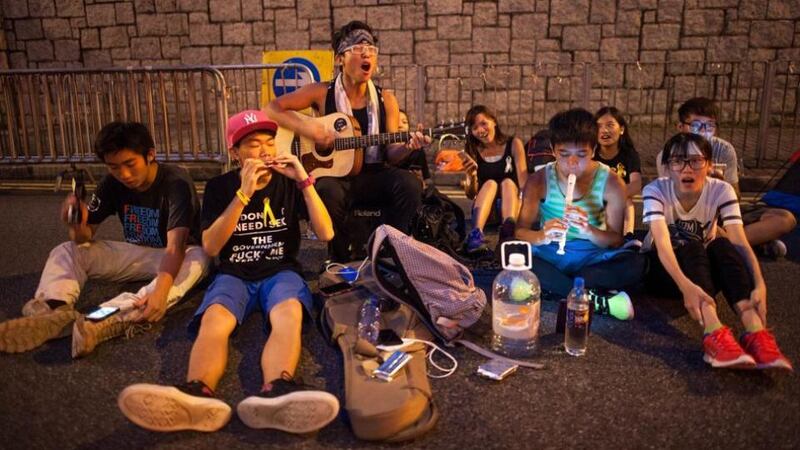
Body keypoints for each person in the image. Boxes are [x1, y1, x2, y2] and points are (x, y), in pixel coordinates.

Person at [117, 110, 340, 433]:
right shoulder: (221, 187)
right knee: (215, 320)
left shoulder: (288, 184)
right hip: (234, 272)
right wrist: (243, 194)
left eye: (269, 142)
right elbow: (210, 246)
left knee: (288, 315)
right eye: (252, 145)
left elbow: (326, 234)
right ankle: (196, 392)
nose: (264, 151)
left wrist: (304, 179)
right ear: (235, 153)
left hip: (281, 271)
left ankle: (277, 390)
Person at [0, 122, 208, 358]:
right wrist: (76, 224)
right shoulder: (112, 183)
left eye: (130, 164)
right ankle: (53, 309)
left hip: (179, 254)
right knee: (66, 250)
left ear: (150, 154)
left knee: (200, 257)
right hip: (139, 253)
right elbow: (84, 239)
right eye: (114, 167)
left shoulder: (175, 181)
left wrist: (161, 292)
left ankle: (103, 319)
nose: (124, 175)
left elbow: (176, 247)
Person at [265, 21, 429, 263]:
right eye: (358, 50)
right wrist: (310, 128)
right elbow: (272, 108)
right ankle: (339, 259)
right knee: (325, 190)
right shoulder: (321, 93)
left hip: (374, 173)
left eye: (371, 51)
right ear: (340, 58)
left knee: (409, 184)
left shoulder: (386, 99)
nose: (367, 55)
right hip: (336, 176)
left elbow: (391, 153)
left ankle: (390, 251)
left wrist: (406, 147)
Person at [643, 132, 792, 370]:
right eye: (677, 161)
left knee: (722, 244)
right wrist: (686, 286)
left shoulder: (721, 190)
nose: (686, 169)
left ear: (709, 165)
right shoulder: (655, 190)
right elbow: (661, 244)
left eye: (696, 161)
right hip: (666, 273)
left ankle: (755, 330)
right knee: (691, 245)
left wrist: (759, 283)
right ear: (668, 168)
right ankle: (713, 333)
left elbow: (740, 242)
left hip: (701, 272)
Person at [515, 108, 644, 321]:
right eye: (564, 155)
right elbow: (520, 231)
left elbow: (615, 240)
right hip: (550, 254)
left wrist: (589, 231)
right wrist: (542, 236)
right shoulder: (539, 179)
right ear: (553, 150)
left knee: (636, 265)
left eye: (581, 155)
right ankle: (596, 300)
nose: (572, 163)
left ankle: (552, 289)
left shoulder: (612, 182)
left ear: (593, 150)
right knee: (509, 252)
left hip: (592, 259)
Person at [656, 97, 796, 257]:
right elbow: (673, 202)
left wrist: (722, 186)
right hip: (690, 215)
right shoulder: (667, 156)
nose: (703, 131)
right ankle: (751, 242)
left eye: (709, 126)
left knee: (785, 218)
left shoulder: (724, 150)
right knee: (692, 227)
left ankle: (730, 243)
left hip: (724, 212)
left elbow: (735, 198)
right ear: (681, 127)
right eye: (695, 125)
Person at [461, 105, 528, 253]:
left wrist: (523, 213)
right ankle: (476, 234)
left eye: (484, 123)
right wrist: (471, 175)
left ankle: (507, 233)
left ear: (494, 122)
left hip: (512, 206)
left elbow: (524, 185)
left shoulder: (513, 144)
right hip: (485, 210)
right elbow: (471, 194)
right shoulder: (472, 150)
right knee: (490, 183)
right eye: (474, 127)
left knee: (508, 182)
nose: (480, 130)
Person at [593, 106, 642, 241]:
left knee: (628, 201)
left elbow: (636, 184)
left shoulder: (629, 155)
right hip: (595, 200)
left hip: (618, 202)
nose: (604, 130)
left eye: (610, 125)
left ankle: (628, 238)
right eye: (599, 126)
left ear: (621, 129)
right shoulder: (591, 155)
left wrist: (614, 195)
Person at [395, 109, 433, 189]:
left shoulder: (417, 150)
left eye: (404, 122)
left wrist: (422, 181)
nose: (400, 125)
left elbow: (427, 179)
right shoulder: (383, 151)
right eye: (395, 121)